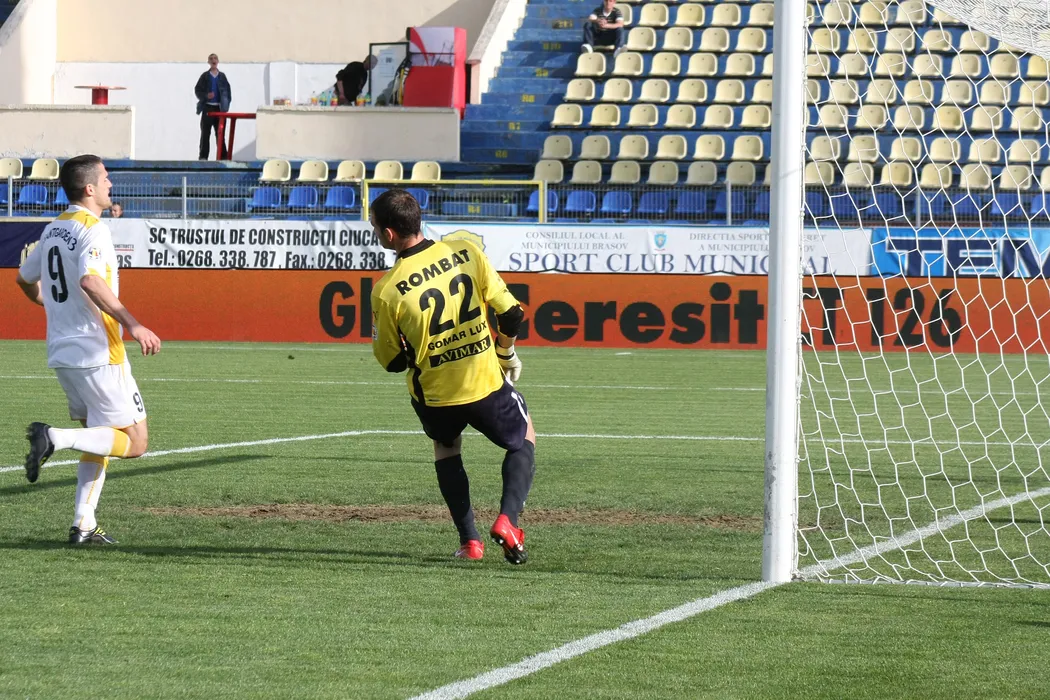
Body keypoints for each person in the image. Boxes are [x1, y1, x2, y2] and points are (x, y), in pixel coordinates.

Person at [370, 189, 536, 564]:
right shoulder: (466, 252)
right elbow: (511, 314)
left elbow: (392, 361)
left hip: (434, 394)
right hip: (483, 382)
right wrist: (505, 352)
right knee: (524, 435)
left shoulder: (386, 291)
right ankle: (508, 521)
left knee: (446, 448)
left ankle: (470, 543)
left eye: (375, 227)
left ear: (389, 234)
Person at [15, 154, 162, 546]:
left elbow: (23, 279)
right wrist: (134, 324)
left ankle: (83, 524)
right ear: (90, 188)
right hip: (99, 351)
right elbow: (91, 281)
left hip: (62, 352)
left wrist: (50, 305)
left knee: (101, 437)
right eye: (106, 178)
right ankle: (53, 437)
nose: (111, 184)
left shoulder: (54, 228)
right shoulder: (93, 229)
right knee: (136, 442)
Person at [194, 53, 232, 159]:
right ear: (209, 62)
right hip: (207, 108)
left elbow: (228, 92)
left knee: (220, 134)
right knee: (205, 134)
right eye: (211, 59)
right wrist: (206, 95)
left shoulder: (222, 77)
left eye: (215, 58)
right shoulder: (205, 76)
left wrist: (225, 105)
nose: (213, 60)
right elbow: (197, 90)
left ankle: (223, 157)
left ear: (218, 61)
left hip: (219, 109)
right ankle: (203, 157)